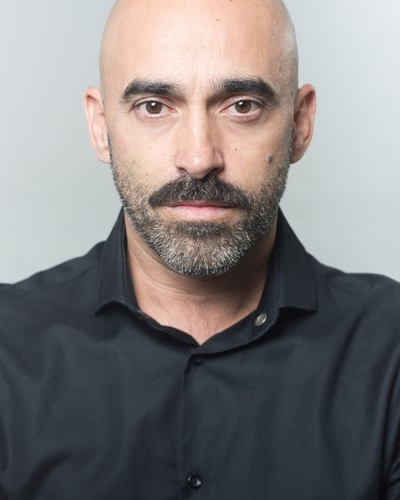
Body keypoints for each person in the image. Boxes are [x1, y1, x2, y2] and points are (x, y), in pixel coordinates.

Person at [0, 0, 399, 498]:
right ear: (101, 128)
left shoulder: (390, 349)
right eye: (153, 106)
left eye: (242, 106)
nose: (198, 158)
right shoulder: (8, 347)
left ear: (300, 124)